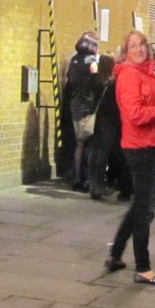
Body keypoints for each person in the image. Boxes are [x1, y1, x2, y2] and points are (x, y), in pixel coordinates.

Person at [106, 30, 155, 286]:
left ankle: (116, 254)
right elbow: (135, 114)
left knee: (140, 203)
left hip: (150, 144)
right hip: (140, 147)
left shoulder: (146, 71)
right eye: (133, 46)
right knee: (145, 208)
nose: (139, 49)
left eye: (142, 44)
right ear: (125, 51)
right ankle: (143, 267)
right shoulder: (129, 75)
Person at [86, 56, 130, 200]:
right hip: (109, 121)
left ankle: (91, 182)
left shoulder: (93, 79)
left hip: (94, 119)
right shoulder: (112, 83)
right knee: (103, 153)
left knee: (93, 151)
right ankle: (98, 185)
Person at [65, 31, 101, 191]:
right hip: (88, 105)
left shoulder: (73, 60)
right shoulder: (91, 62)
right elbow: (97, 82)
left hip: (75, 103)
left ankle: (77, 177)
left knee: (79, 143)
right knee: (89, 143)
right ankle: (87, 179)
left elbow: (69, 80)